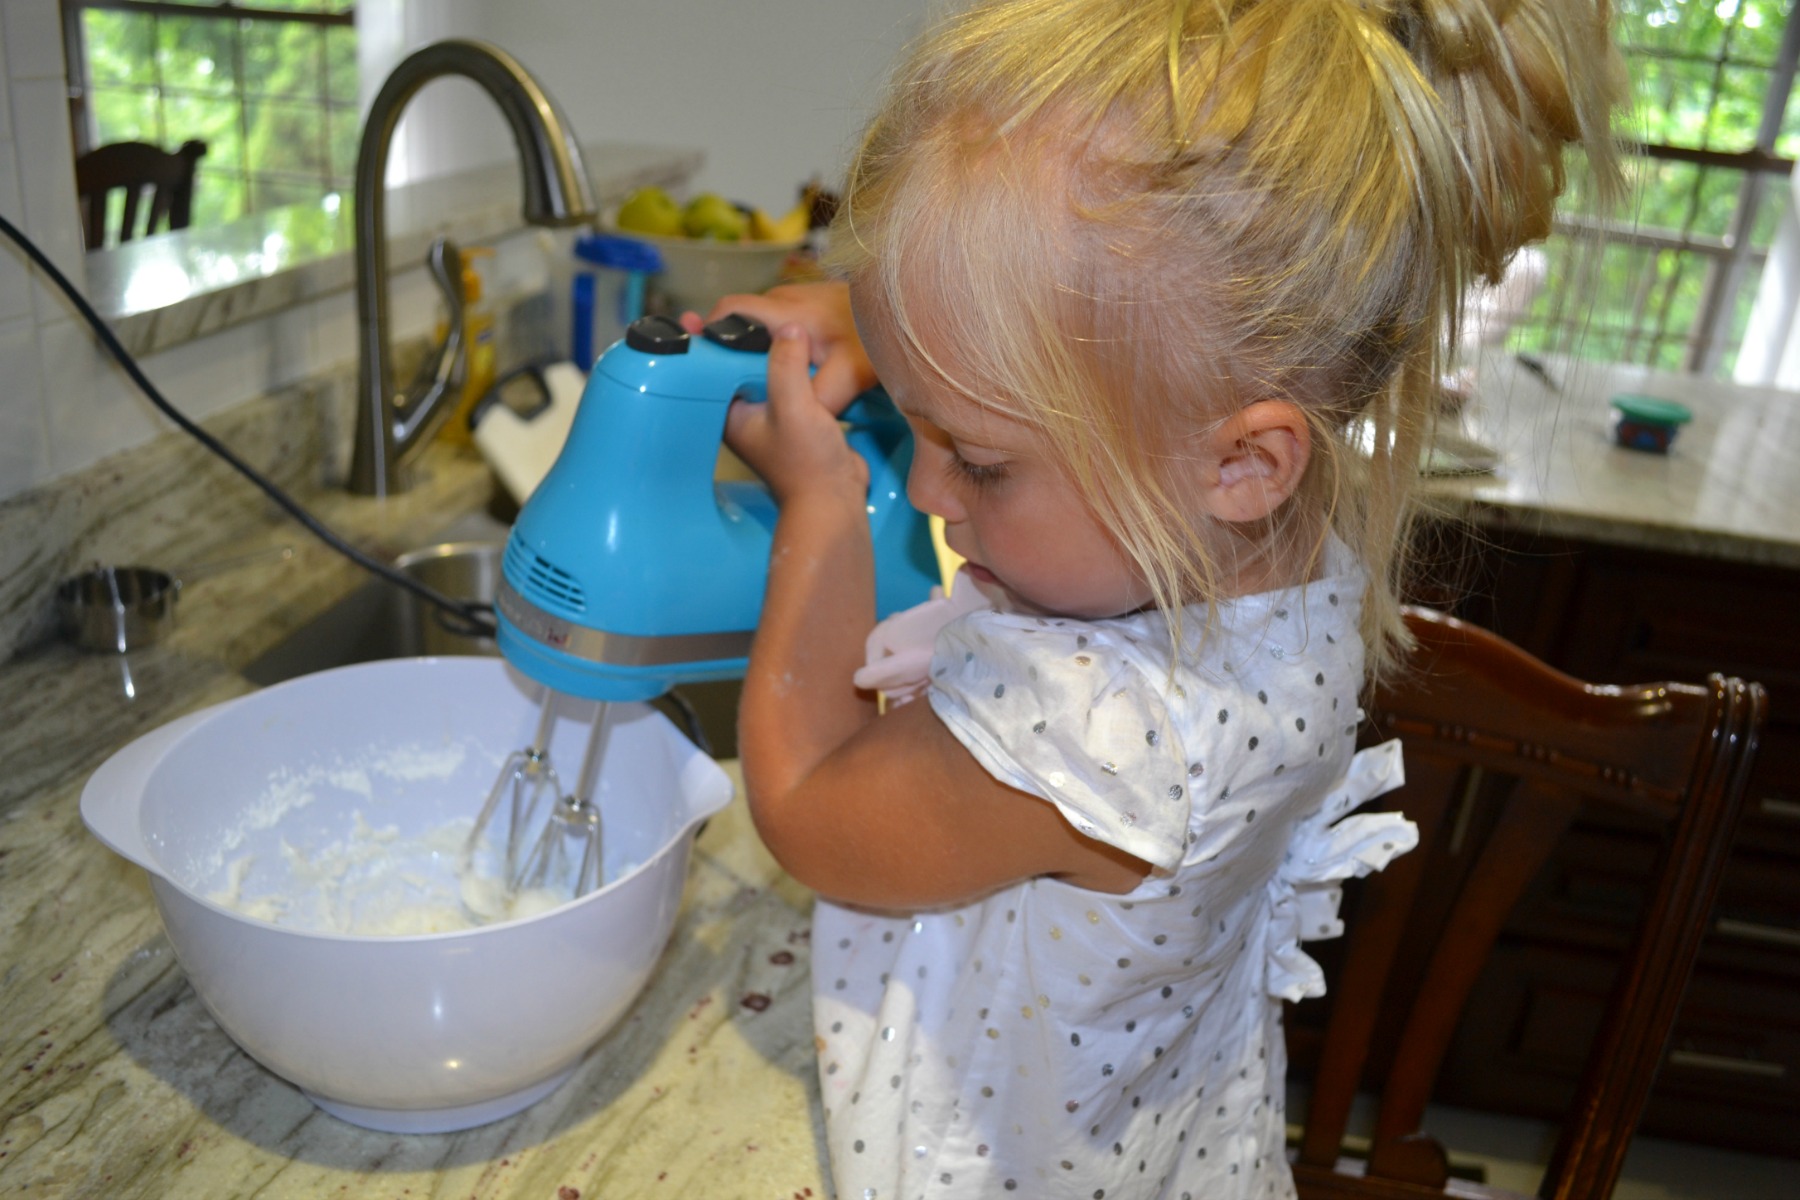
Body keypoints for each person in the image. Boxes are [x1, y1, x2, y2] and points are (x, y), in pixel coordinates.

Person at [695, 1, 1625, 1196]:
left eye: (976, 457)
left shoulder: (1090, 732)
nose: (927, 482)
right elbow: (1114, 355)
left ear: (1242, 463)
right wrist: (923, 336)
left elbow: (814, 811)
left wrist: (816, 510)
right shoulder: (1274, 555)